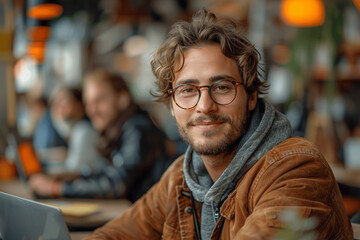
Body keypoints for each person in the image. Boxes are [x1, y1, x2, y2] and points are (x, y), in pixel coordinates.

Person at [84, 9, 353, 240]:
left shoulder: (296, 169)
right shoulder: (181, 178)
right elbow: (110, 235)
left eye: (222, 87)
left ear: (251, 96)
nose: (204, 106)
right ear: (170, 105)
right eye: (187, 90)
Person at [29, 69, 177, 202]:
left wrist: (56, 188)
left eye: (99, 100)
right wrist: (66, 178)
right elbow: (107, 173)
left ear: (122, 99)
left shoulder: (138, 129)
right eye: (88, 103)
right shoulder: (120, 130)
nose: (91, 110)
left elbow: (117, 185)